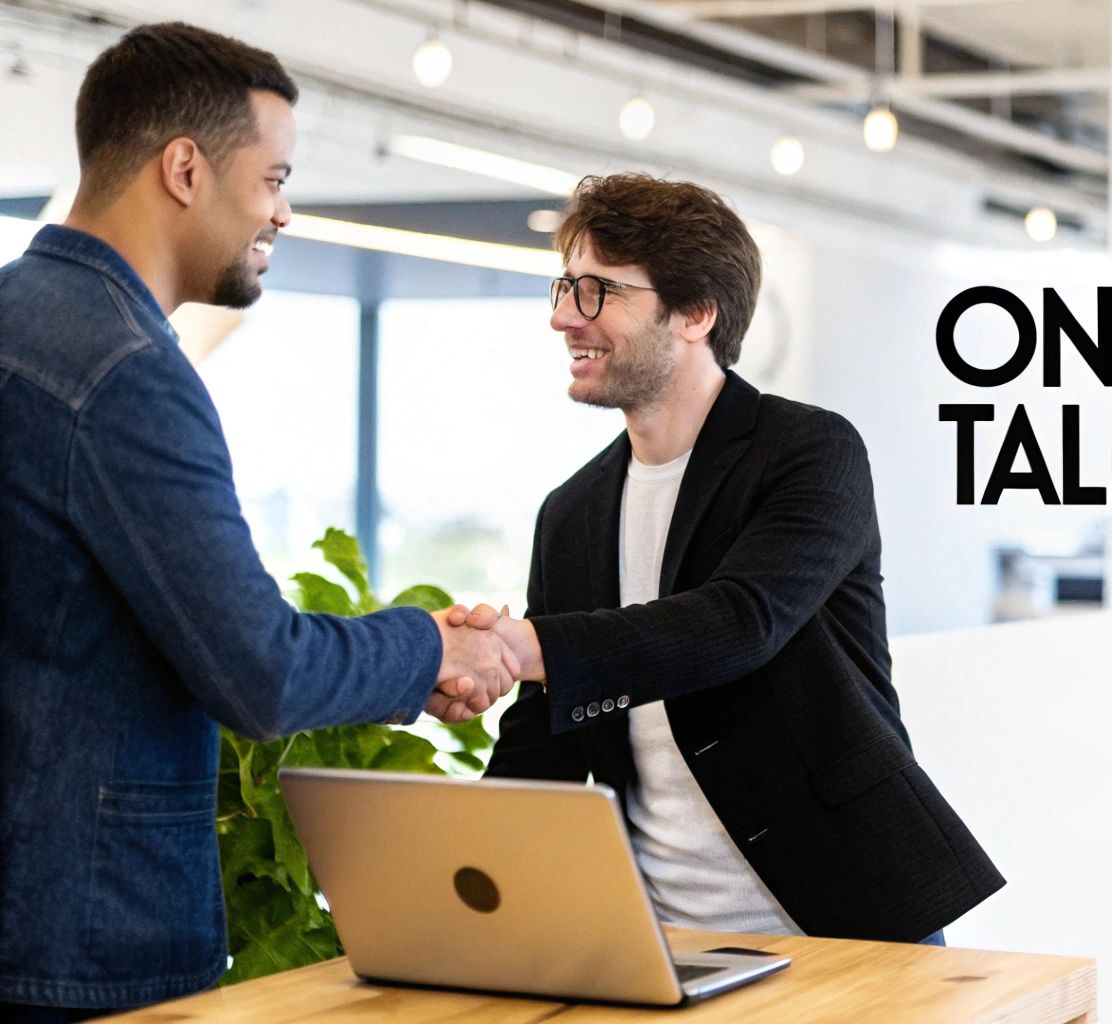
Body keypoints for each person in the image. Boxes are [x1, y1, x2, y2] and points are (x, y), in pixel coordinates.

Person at [0, 24, 517, 1020]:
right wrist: (432, 644)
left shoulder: (17, 317)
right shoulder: (126, 373)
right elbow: (259, 670)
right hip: (87, 945)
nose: (282, 209)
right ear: (184, 168)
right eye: (273, 176)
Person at [460, 173, 1004, 944]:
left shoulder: (811, 452)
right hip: (667, 941)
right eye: (563, 288)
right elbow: (546, 734)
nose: (561, 318)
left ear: (696, 313)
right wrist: (458, 885)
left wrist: (527, 646)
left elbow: (739, 623)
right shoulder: (571, 513)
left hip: (846, 922)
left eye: (596, 292)